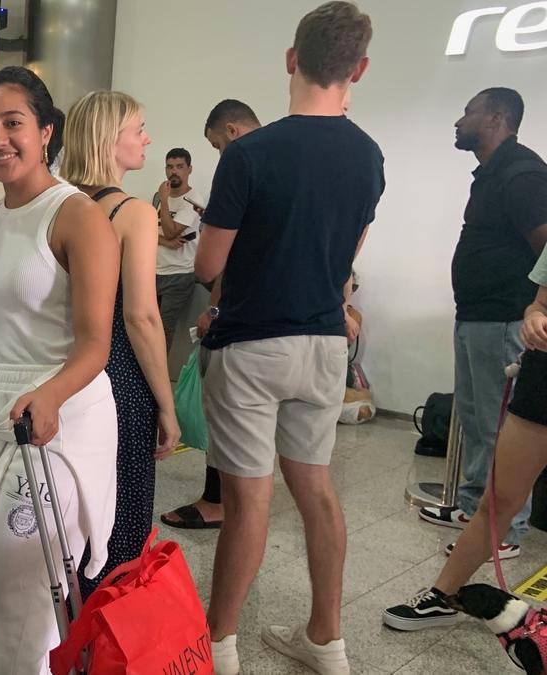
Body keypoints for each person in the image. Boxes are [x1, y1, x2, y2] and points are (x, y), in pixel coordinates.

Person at [196, 3, 384, 673]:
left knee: (249, 499)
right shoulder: (369, 156)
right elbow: (345, 260)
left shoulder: (249, 154)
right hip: (324, 346)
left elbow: (208, 266)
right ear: (358, 68)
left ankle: (218, 645)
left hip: (251, 345)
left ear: (290, 59)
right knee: (317, 488)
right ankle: (327, 639)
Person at [0, 66, 119, 673]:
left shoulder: (77, 216)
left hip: (52, 419)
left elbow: (96, 343)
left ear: (46, 130)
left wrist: (49, 397)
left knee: (22, 598)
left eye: (13, 123)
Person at [384, 245, 547, 631]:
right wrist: (534, 320)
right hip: (543, 378)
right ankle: (443, 595)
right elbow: (537, 303)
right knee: (499, 498)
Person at [414, 87, 547, 559]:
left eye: (467, 111)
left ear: (495, 118)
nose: (459, 120)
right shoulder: (492, 173)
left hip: (507, 318)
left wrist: (536, 311)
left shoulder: (522, 174)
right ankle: (474, 508)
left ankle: (505, 532)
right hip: (477, 315)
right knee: (473, 419)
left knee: (498, 428)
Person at [58, 90, 180, 598]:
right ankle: (104, 635)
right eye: (139, 129)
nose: (148, 138)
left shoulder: (55, 202)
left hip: (61, 376)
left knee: (70, 513)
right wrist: (168, 407)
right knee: (119, 517)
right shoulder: (132, 212)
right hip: (120, 380)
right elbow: (142, 316)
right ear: (111, 140)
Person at [160, 99, 261, 532]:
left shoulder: (241, 165)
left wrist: (215, 307)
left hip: (240, 317)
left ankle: (220, 501)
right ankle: (242, 504)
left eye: (218, 146)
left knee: (226, 411)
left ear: (233, 133)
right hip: (296, 327)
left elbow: (209, 262)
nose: (221, 155)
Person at [153, 148, 206, 356]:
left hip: (179, 274)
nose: (173, 171)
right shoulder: (157, 197)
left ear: (189, 169)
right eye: (169, 166)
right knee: (146, 327)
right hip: (154, 272)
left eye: (179, 167)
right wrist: (164, 242)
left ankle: (156, 383)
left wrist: (164, 201)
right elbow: (151, 231)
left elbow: (170, 229)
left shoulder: (194, 199)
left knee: (162, 331)